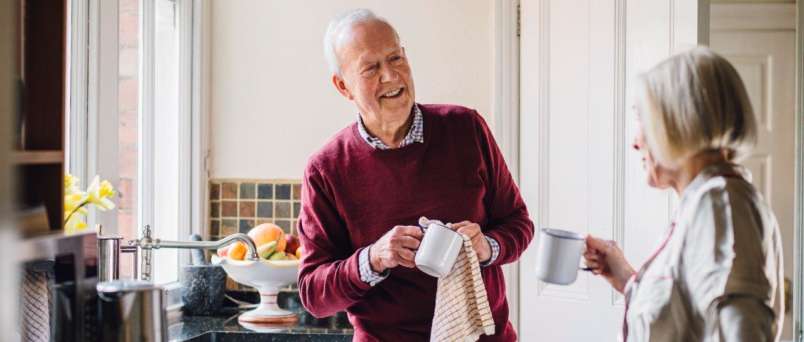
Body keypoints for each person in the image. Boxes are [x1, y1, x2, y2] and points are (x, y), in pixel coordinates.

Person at [296, 9, 534, 341]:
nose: (391, 76)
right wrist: (373, 259)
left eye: (395, 58)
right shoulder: (326, 168)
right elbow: (313, 294)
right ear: (343, 86)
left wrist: (487, 246)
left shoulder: (466, 128)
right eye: (371, 68)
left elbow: (519, 222)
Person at [584, 47, 784, 341]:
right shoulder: (706, 202)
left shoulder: (721, 204)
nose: (636, 143)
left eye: (644, 120)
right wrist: (628, 279)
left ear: (678, 124)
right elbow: (691, 316)